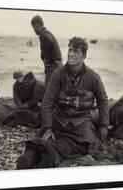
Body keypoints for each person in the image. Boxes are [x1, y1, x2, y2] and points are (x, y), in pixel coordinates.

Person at [16, 37, 110, 169]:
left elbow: (103, 100)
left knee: (87, 145)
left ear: (84, 55)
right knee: (42, 140)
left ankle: (47, 157)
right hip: (59, 119)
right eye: (70, 50)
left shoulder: (93, 77)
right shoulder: (58, 74)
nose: (70, 54)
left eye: (76, 51)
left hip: (81, 122)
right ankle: (29, 159)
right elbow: (47, 101)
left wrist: (104, 125)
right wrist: (48, 126)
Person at [31, 15, 63, 87]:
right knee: (55, 89)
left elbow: (49, 41)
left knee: (49, 90)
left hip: (53, 66)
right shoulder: (47, 32)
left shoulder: (43, 34)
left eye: (33, 28)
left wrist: (46, 59)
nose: (34, 30)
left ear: (37, 25)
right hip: (58, 65)